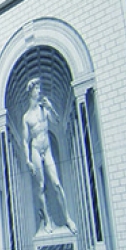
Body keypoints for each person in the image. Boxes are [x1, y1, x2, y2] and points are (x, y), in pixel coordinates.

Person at [22, 78, 77, 234]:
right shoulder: (26, 117)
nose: (39, 91)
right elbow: (25, 141)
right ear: (31, 92)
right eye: (37, 88)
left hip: (47, 148)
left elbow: (57, 121)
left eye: (39, 88)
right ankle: (47, 219)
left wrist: (51, 108)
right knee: (41, 186)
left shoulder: (44, 108)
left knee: (57, 184)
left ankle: (67, 218)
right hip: (35, 149)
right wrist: (27, 160)